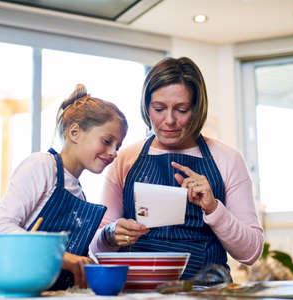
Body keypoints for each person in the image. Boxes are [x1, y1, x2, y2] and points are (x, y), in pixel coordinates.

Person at [90, 57, 264, 280]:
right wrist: (110, 235)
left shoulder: (227, 159)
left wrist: (213, 209)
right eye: (159, 108)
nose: (169, 120)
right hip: (138, 294)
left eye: (181, 109)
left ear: (197, 108)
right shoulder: (125, 159)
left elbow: (250, 253)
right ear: (146, 107)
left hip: (207, 294)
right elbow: (95, 250)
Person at [0, 84, 128, 289]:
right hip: (22, 290)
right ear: (74, 132)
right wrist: (64, 258)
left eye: (118, 146)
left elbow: (77, 254)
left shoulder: (79, 194)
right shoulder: (43, 165)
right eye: (107, 141)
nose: (113, 152)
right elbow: (0, 230)